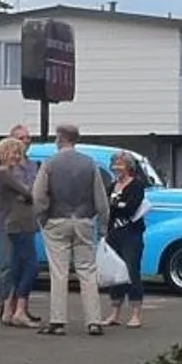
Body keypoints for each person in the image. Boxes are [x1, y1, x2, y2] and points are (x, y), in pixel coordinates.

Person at [32, 126, 112, 337]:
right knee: (87, 271)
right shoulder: (90, 164)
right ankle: (94, 321)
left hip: (57, 220)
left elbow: (39, 196)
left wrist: (41, 218)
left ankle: (58, 321)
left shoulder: (50, 163)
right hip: (84, 220)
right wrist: (102, 224)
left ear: (60, 139)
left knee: (59, 272)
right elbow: (101, 199)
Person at [0, 135, 40, 327]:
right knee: (18, 266)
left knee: (17, 266)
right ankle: (12, 308)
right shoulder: (1, 172)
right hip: (13, 223)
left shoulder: (12, 170)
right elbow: (27, 192)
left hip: (20, 222)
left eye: (20, 153)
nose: (18, 156)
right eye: (14, 152)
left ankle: (10, 309)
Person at [100, 150, 149, 328]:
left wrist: (115, 206)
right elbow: (105, 208)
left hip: (131, 234)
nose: (116, 168)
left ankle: (136, 313)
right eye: (114, 165)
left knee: (131, 271)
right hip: (114, 234)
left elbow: (130, 208)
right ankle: (115, 313)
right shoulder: (111, 186)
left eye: (120, 164)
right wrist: (116, 207)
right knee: (115, 273)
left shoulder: (137, 186)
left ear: (128, 166)